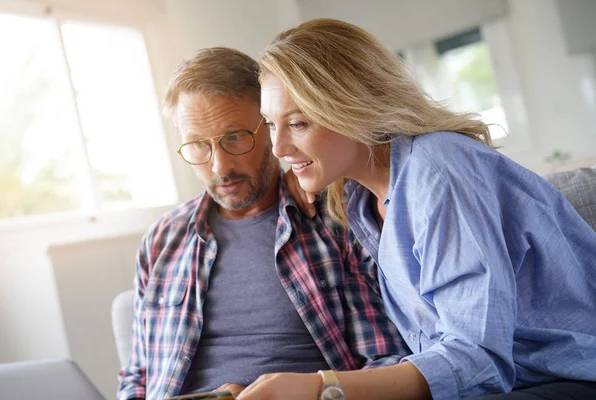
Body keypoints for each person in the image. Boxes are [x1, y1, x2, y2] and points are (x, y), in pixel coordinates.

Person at [238, 18, 596, 400]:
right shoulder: (361, 204)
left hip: (566, 376)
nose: (279, 149)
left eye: (297, 123)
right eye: (271, 125)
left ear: (352, 106)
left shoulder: (436, 168)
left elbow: (479, 359)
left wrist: (323, 387)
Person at [116, 46, 410, 400]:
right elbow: (138, 376)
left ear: (271, 125)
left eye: (235, 137)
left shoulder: (335, 219)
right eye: (197, 145)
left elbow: (387, 360)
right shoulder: (163, 240)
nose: (220, 166)